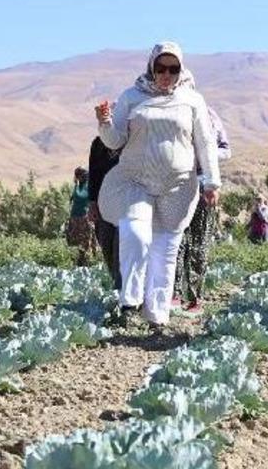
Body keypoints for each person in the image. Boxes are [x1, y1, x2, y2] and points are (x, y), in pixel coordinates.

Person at [95, 41, 221, 328]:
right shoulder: (131, 96)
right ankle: (130, 302)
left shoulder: (192, 100)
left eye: (173, 69)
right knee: (136, 234)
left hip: (176, 185)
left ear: (181, 69)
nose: (166, 74)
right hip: (134, 180)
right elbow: (115, 141)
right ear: (151, 68)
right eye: (160, 68)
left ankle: (158, 316)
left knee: (165, 249)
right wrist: (104, 123)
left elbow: (205, 142)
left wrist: (212, 182)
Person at [173, 106, 232, 313]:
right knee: (175, 240)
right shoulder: (167, 110)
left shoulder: (208, 114)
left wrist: (204, 153)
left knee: (198, 242)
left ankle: (195, 298)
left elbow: (226, 149)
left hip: (201, 183)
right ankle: (174, 294)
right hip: (173, 185)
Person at [88, 136, 122, 292]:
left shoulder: (133, 138)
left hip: (127, 204)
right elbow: (93, 175)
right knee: (106, 244)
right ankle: (117, 286)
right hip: (103, 206)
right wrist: (92, 203)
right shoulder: (98, 144)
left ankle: (123, 296)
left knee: (121, 250)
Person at [66, 167, 96, 266]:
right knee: (76, 244)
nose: (86, 177)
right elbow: (77, 197)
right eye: (84, 175)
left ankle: (85, 264)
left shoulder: (87, 187)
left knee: (85, 244)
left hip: (85, 218)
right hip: (76, 219)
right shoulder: (78, 187)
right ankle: (78, 264)